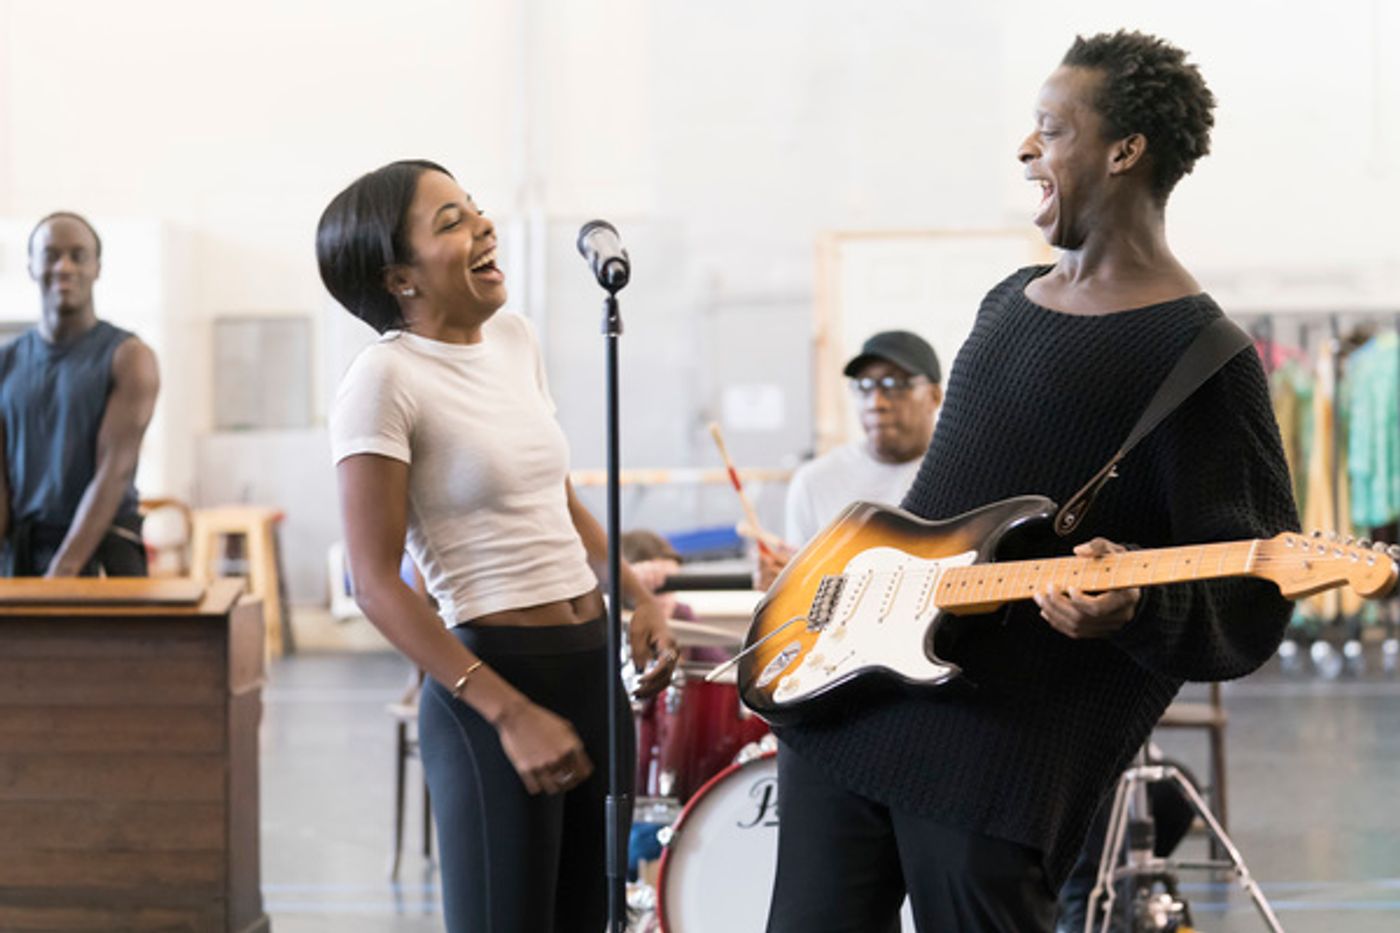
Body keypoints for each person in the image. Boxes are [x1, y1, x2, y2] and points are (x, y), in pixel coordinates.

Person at [765, 31, 1298, 933]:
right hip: (851, 708)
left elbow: (1252, 599)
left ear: (1124, 151)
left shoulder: (1202, 362)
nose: (1025, 149)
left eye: (1050, 131)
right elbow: (934, 507)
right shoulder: (1007, 300)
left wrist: (1136, 606)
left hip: (1002, 765)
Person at [319, 160, 678, 932]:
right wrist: (509, 713)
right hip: (492, 681)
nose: (483, 225)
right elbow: (374, 582)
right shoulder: (383, 378)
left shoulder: (514, 340)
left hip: (589, 667)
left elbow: (558, 498)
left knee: (592, 917)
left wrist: (635, 596)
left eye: (475, 209)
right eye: (450, 222)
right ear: (400, 278)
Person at [0, 212, 160, 577]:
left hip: (104, 551)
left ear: (97, 268)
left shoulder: (130, 357)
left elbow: (113, 472)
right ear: (31, 266)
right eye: (51, 255)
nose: (64, 267)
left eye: (78, 255)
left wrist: (62, 573)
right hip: (24, 552)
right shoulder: (6, 362)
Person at [758, 330, 942, 587]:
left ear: (934, 397)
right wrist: (779, 588)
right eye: (864, 386)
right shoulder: (814, 482)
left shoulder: (962, 475)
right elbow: (802, 593)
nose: (876, 402)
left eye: (894, 385)